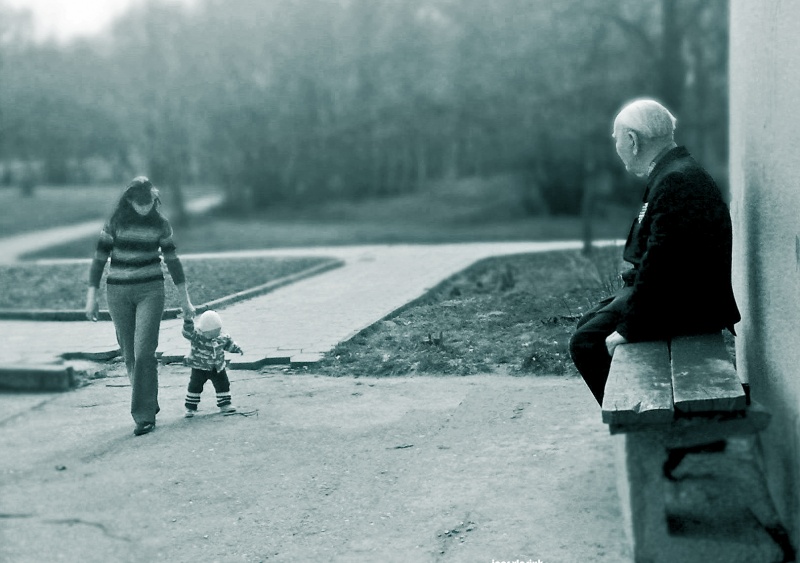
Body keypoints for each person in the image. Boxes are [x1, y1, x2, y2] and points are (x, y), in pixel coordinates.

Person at [569, 99, 741, 406]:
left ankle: (643, 418)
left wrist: (629, 328)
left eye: (617, 139)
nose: (618, 147)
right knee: (588, 324)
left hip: (689, 306)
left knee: (586, 342)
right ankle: (641, 411)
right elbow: (662, 254)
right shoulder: (675, 171)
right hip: (683, 296)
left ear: (632, 141)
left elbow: (662, 262)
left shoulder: (676, 179)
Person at [85, 176, 195, 435]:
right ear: (130, 200)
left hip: (150, 291)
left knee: (144, 351)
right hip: (118, 293)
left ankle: (143, 416)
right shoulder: (115, 222)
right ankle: (147, 403)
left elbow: (173, 260)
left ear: (154, 200)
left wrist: (186, 299)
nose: (144, 208)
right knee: (130, 353)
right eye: (139, 204)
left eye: (148, 204)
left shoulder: (161, 224)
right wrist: (92, 296)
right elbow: (100, 259)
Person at [181, 310, 243, 417]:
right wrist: (188, 322)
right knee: (195, 386)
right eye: (209, 334)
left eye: (216, 332)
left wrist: (236, 348)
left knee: (223, 384)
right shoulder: (197, 337)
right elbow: (187, 332)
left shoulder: (222, 337)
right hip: (199, 367)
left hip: (218, 367)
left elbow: (228, 344)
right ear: (202, 330)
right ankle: (190, 407)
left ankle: (225, 404)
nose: (213, 336)